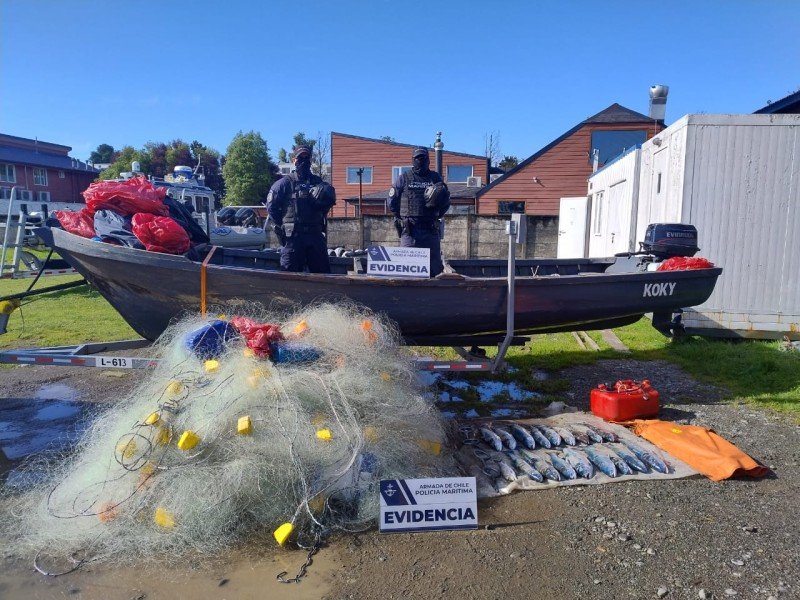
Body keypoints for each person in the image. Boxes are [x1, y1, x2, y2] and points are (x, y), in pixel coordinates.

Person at [267, 145, 336, 273]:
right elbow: (271, 207)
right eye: (300, 157)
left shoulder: (317, 182)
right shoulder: (284, 183)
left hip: (314, 235)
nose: (304, 160)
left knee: (324, 276)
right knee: (289, 276)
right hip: (293, 237)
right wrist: (283, 226)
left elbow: (326, 205)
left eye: (307, 157)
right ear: (294, 160)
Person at [387, 147, 451, 276]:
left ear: (428, 160)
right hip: (410, 232)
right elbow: (391, 202)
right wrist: (403, 217)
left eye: (423, 158)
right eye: (418, 158)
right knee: (406, 270)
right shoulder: (403, 178)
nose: (420, 161)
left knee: (434, 271)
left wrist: (437, 214)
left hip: (430, 231)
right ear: (413, 160)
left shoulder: (435, 177)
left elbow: (445, 202)